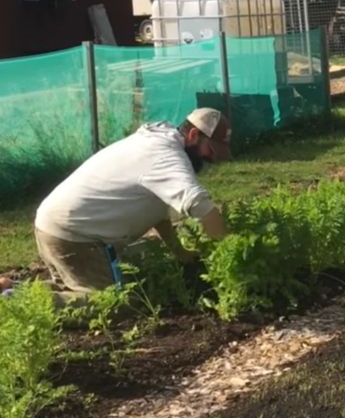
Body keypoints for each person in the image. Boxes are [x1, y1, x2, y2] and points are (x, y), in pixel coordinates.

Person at [0, 108, 233, 305]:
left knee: (73, 289)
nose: (211, 160)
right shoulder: (166, 157)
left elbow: (157, 210)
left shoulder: (157, 143)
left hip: (56, 225)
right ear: (193, 135)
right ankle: (10, 302)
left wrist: (179, 252)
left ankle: (11, 289)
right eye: (210, 151)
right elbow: (198, 202)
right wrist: (228, 255)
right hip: (75, 236)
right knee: (111, 304)